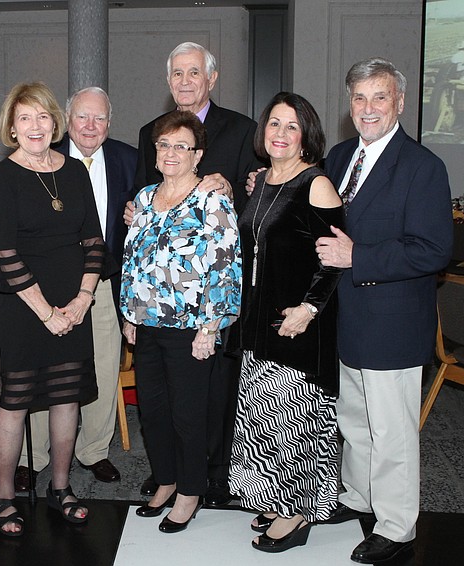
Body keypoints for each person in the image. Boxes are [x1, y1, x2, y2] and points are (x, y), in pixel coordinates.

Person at [315, 58, 452, 564]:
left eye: (379, 97)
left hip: (393, 323)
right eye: (359, 98)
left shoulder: (423, 166)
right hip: (346, 317)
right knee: (353, 420)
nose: (368, 108)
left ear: (400, 102)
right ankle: (358, 495)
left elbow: (434, 250)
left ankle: (396, 526)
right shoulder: (339, 156)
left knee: (392, 430)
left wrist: (359, 257)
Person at [131, 40, 261, 506]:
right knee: (159, 403)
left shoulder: (244, 130)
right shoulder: (150, 133)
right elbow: (139, 221)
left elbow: (258, 204)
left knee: (212, 395)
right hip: (153, 311)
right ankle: (170, 474)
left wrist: (236, 190)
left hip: (205, 303)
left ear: (211, 78)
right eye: (177, 74)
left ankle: (213, 476)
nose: (185, 82)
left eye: (194, 73)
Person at [0, 82, 105, 536]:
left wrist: (82, 300)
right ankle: (3, 493)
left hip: (73, 302)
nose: (35, 126)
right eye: (25, 118)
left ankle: (60, 487)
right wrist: (47, 312)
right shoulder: (4, 175)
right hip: (24, 306)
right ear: (12, 128)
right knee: (15, 401)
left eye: (42, 117)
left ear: (55, 123)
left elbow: (94, 241)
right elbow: (6, 253)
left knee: (65, 396)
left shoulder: (74, 171)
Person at [227, 92, 344, 553]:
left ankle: (297, 514)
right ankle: (278, 501)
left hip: (298, 324)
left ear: (306, 135)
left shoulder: (316, 184)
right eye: (274, 123)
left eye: (292, 126)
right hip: (260, 322)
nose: (281, 133)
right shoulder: (262, 181)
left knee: (296, 423)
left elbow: (334, 260)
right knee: (265, 424)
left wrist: (308, 309)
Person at [122, 110, 241, 534]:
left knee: (188, 414)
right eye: (164, 145)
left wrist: (211, 328)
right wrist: (130, 315)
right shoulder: (145, 198)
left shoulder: (212, 201)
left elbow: (226, 269)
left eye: (181, 146)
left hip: (192, 329)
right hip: (147, 325)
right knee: (153, 411)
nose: (171, 153)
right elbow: (132, 260)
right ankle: (166, 480)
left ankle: (191, 490)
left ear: (198, 155)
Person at [15, 86, 137, 491]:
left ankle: (94, 450)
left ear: (109, 123)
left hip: (102, 283)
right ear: (67, 120)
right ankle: (34, 456)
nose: (90, 125)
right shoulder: (43, 155)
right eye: (82, 116)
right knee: (45, 370)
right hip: (49, 285)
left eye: (99, 118)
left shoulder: (129, 160)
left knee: (103, 364)